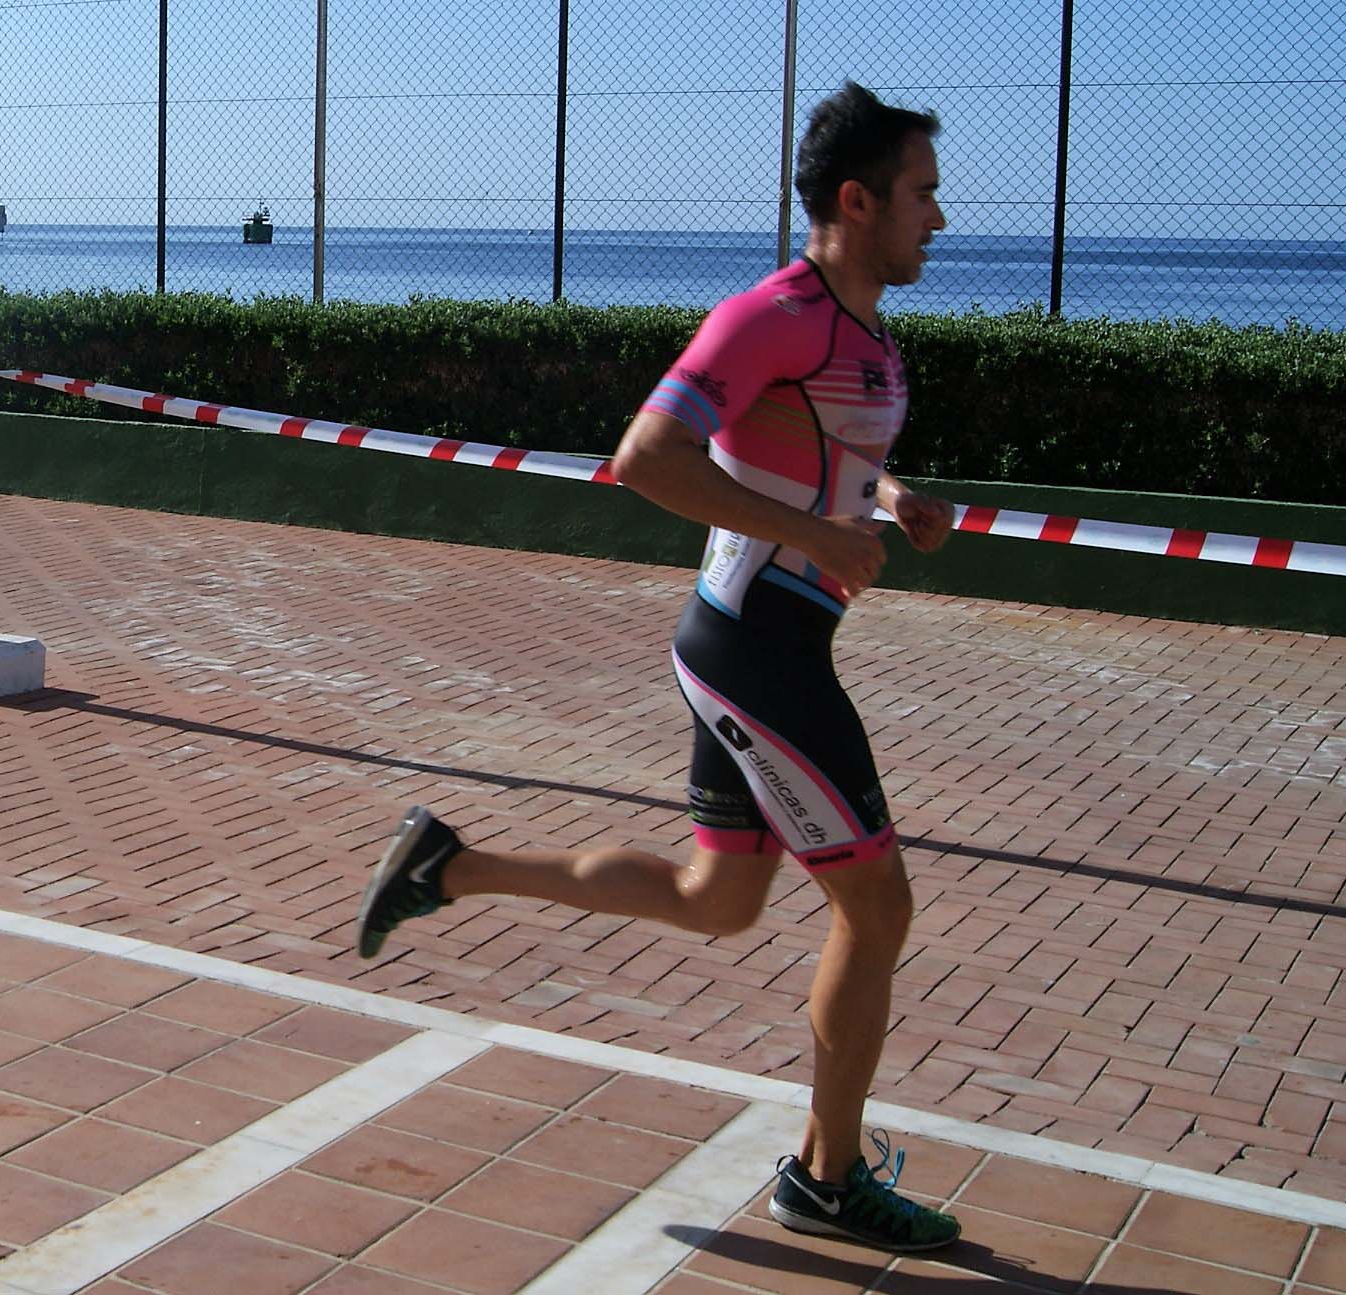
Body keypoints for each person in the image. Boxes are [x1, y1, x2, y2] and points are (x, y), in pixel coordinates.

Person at [355, 82, 963, 1252]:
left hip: (771, 642)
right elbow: (646, 458)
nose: (938, 217)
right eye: (922, 193)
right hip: (755, 651)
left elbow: (812, 452)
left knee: (716, 898)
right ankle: (828, 1178)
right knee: (877, 903)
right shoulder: (769, 316)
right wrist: (819, 535)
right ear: (857, 201)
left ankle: (449, 865)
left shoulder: (865, 330)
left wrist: (891, 499)